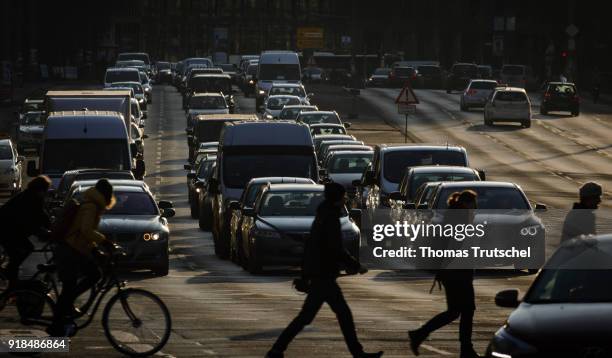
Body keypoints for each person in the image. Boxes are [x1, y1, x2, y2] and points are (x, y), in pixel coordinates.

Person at [266, 183, 383, 358]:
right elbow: (335, 248)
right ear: (337, 198)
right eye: (343, 196)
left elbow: (312, 247)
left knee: (310, 317)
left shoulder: (323, 214)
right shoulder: (330, 218)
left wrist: (306, 273)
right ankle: (357, 353)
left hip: (320, 274)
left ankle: (277, 350)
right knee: (339, 315)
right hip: (324, 276)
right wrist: (355, 265)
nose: (345, 199)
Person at [409, 190, 480, 358]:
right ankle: (465, 348)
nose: (476, 207)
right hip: (457, 272)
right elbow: (454, 245)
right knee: (465, 309)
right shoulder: (461, 218)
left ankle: (421, 334)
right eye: (474, 204)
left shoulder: (456, 216)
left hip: (456, 271)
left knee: (457, 311)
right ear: (467, 204)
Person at [49, 179, 115, 336]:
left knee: (85, 278)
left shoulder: (91, 204)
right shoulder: (91, 207)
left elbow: (82, 234)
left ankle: (66, 310)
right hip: (69, 250)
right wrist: (104, 242)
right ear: (106, 195)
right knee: (80, 281)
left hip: (73, 248)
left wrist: (95, 250)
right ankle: (56, 324)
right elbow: (85, 231)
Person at [0, 176, 51, 289]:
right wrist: (45, 231)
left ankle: (12, 285)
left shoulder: (31, 196)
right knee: (23, 250)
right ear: (40, 189)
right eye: (45, 190)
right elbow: (32, 219)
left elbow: (42, 216)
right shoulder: (30, 199)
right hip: (6, 230)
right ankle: (11, 280)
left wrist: (50, 227)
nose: (45, 193)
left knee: (20, 252)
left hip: (10, 229)